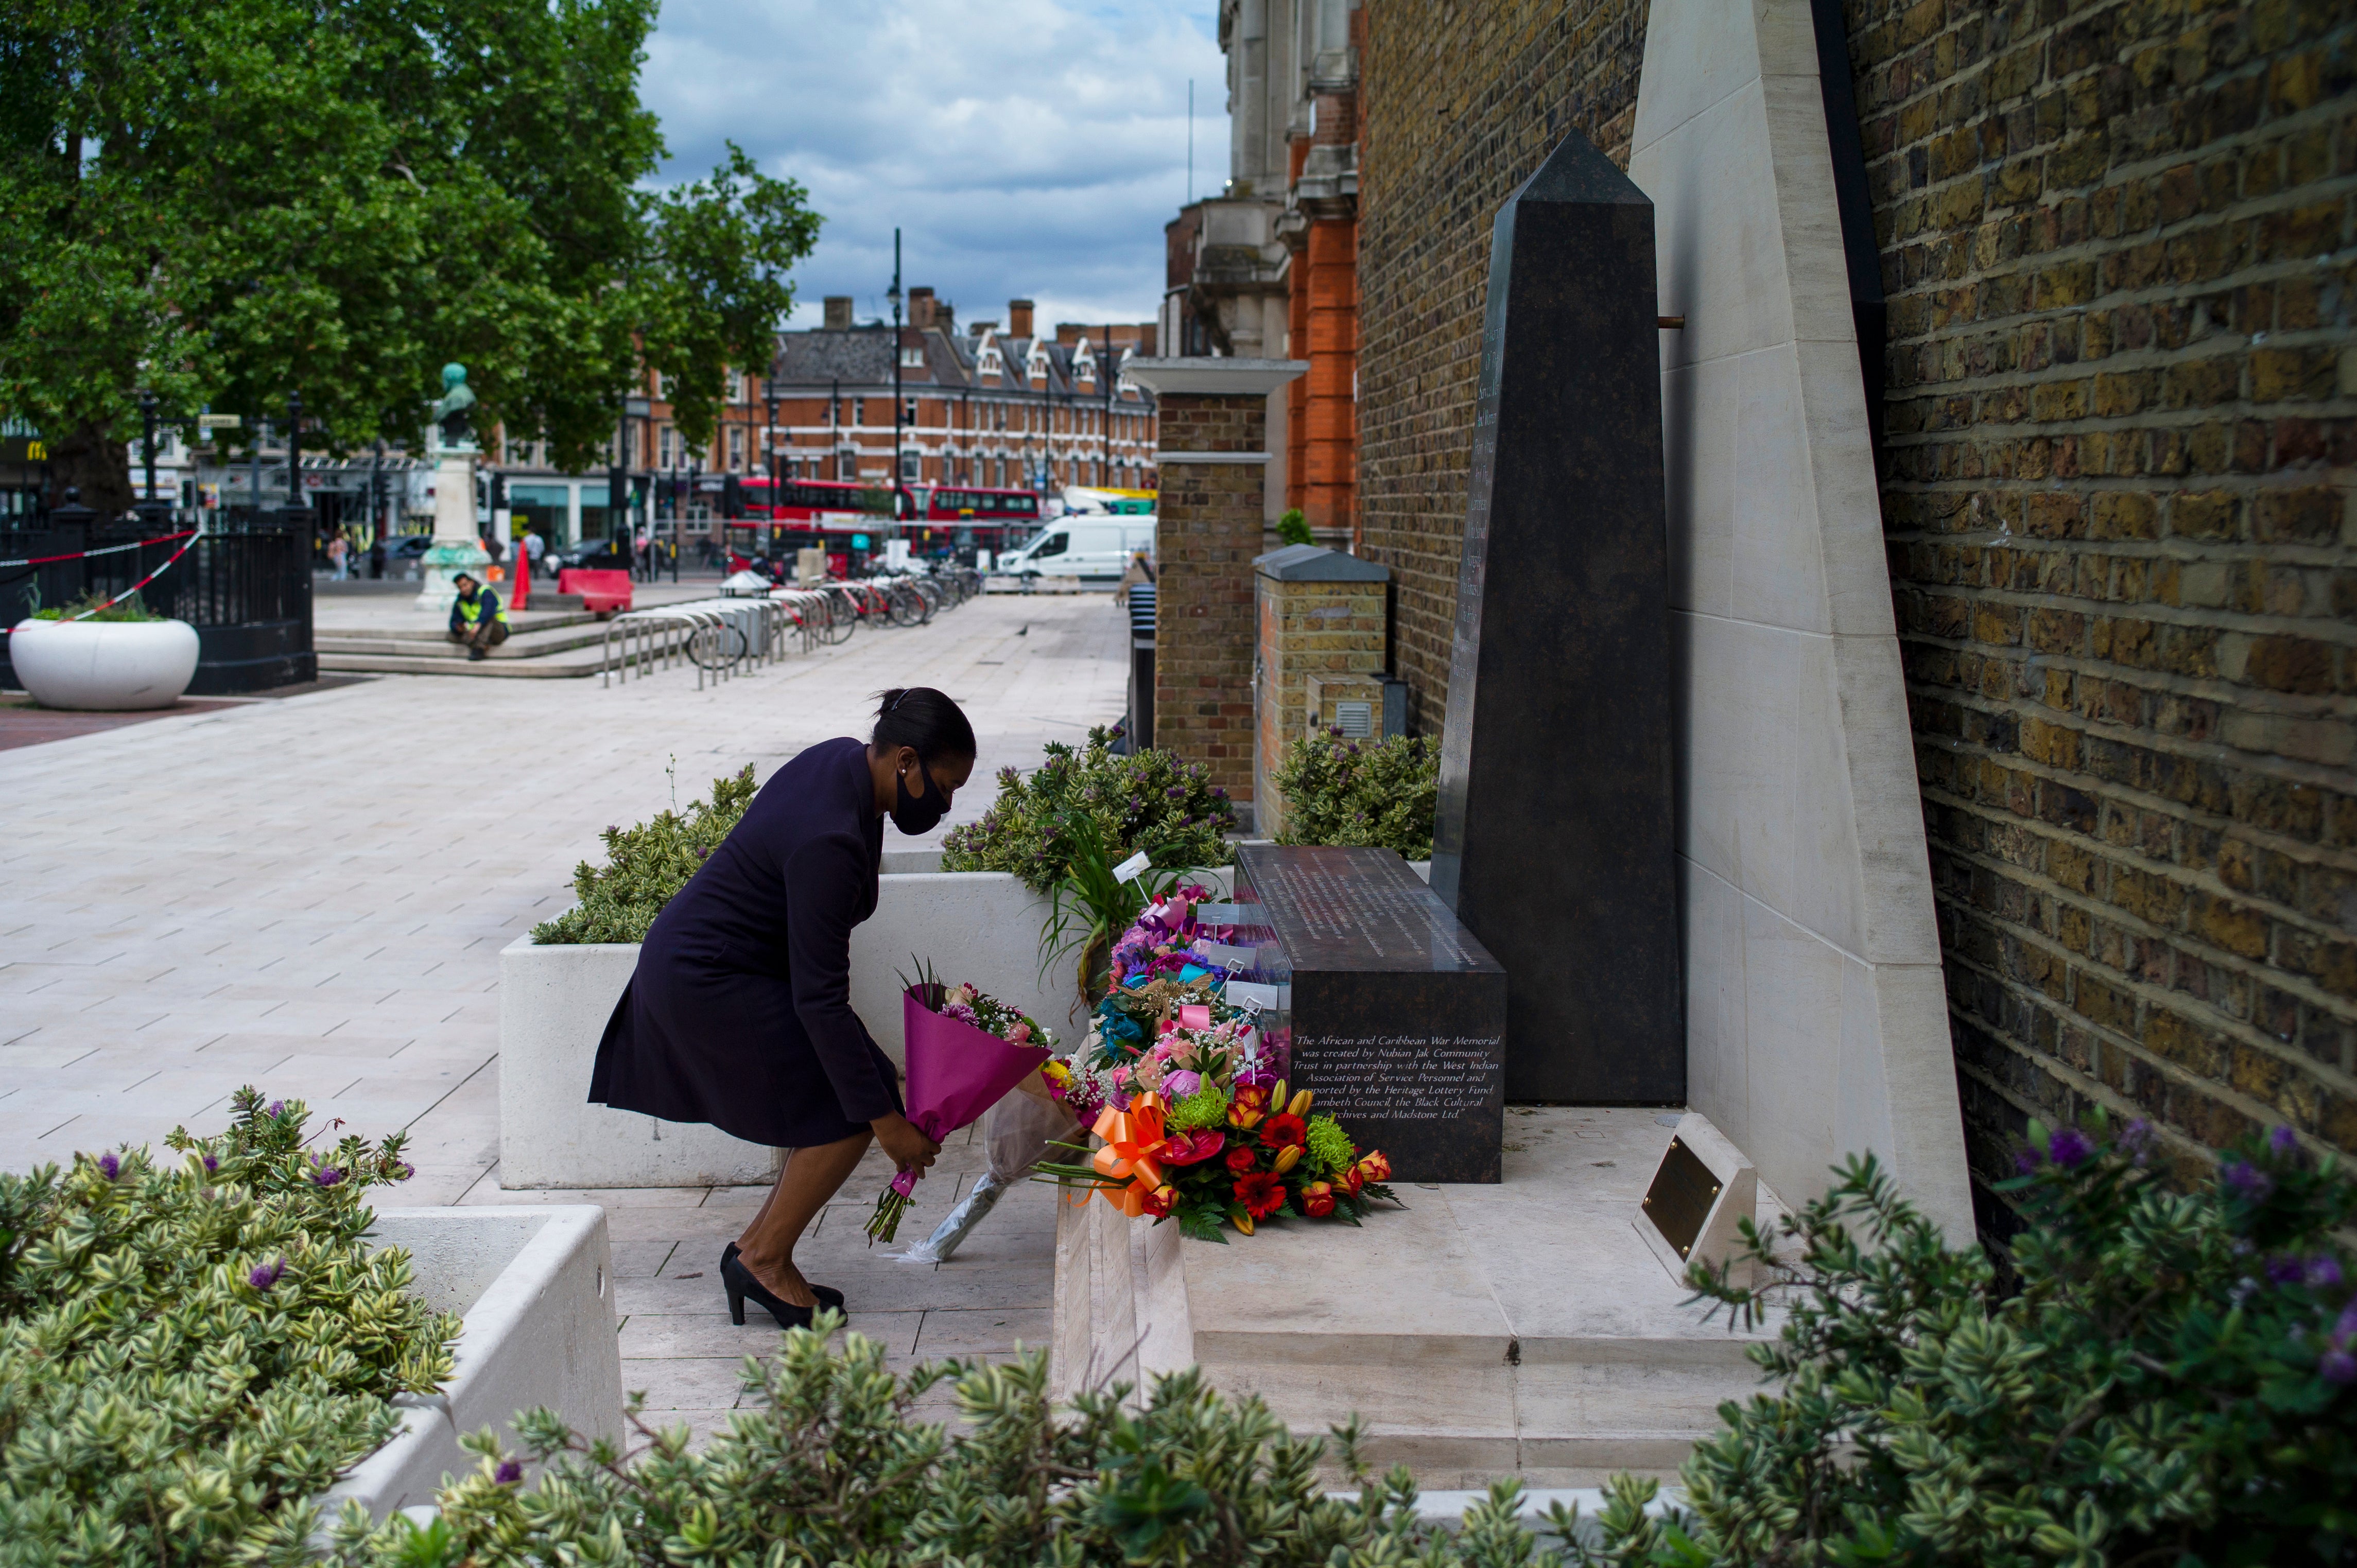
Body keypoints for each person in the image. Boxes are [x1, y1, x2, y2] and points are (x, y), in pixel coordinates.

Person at [588, 689, 977, 1330]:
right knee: (851, 1107)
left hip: (718, 962)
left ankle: (754, 1253)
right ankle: (765, 1259)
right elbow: (820, 999)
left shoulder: (842, 763)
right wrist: (888, 1126)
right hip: (707, 979)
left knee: (861, 1086)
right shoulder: (830, 838)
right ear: (906, 761)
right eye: (944, 784)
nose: (948, 803)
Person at [446, 572, 509, 660]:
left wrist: (479, 624)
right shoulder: (460, 601)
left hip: (498, 629)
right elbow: (454, 620)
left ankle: (479, 648)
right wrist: (458, 627)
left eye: (465, 585)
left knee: (488, 620)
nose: (463, 589)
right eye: (460, 587)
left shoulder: (485, 591)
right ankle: (482, 643)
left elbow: (488, 610)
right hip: (475, 632)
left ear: (471, 582)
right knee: (451, 635)